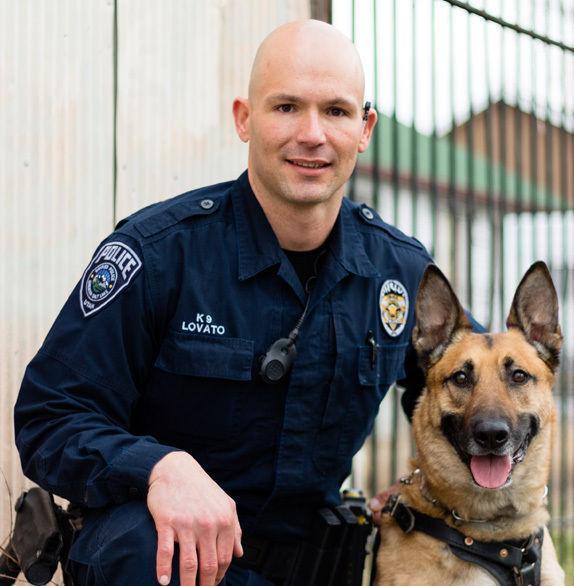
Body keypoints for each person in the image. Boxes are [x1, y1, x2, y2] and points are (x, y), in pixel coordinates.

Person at [14, 19, 479, 586]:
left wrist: (425, 486)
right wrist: (161, 468)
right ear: (244, 118)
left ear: (364, 128)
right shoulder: (159, 254)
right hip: (170, 564)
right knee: (141, 547)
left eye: (335, 111)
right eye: (286, 107)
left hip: (313, 564)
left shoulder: (399, 271)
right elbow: (50, 416)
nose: (312, 134)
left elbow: (474, 386)